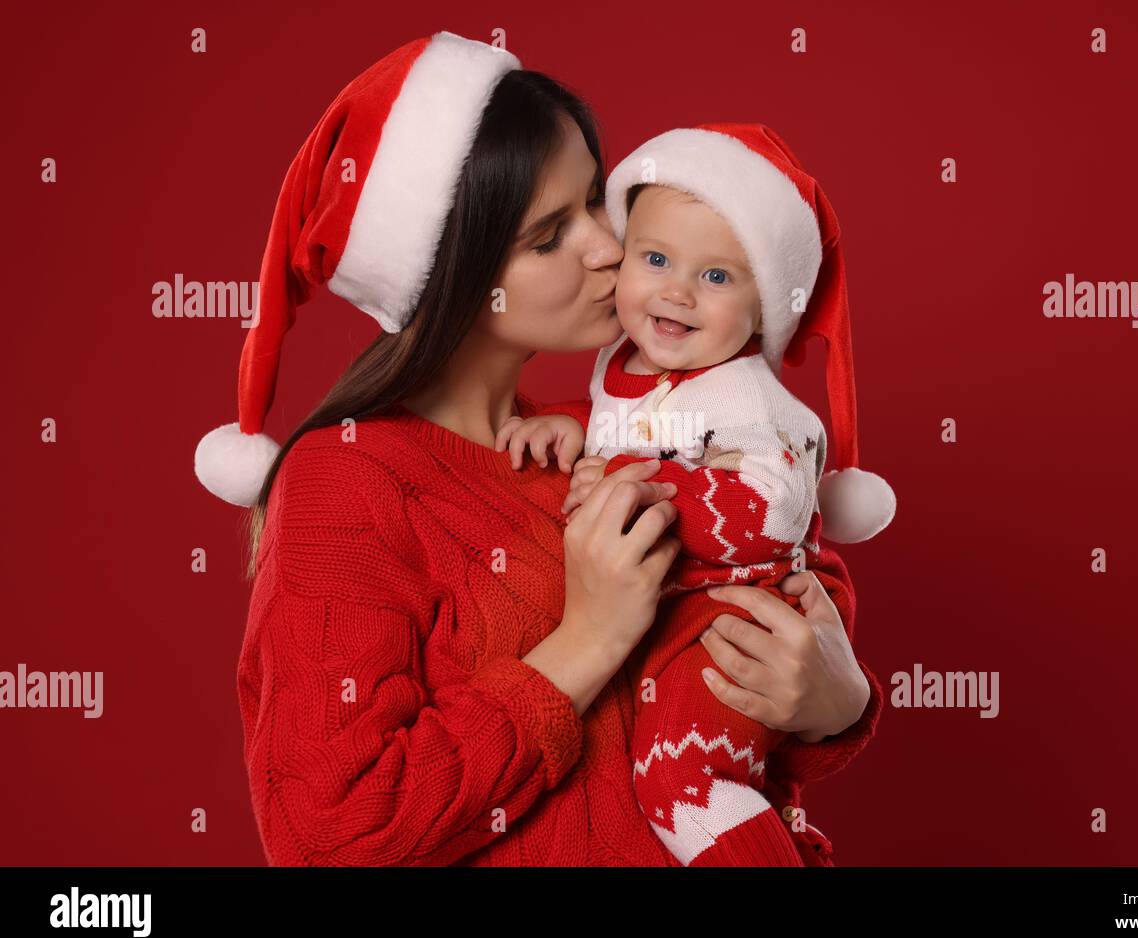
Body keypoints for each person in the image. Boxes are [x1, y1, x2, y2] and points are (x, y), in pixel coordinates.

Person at [193, 31, 882, 866]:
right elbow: (330, 831)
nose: (606, 246)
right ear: (457, 271)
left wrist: (835, 701)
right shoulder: (346, 483)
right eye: (549, 235)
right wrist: (585, 643)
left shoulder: (595, 432)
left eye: (597, 199)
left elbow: (767, 604)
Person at [491, 123, 896, 865]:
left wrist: (632, 485)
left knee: (684, 777)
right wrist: (573, 427)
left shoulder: (747, 394)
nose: (676, 290)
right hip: (675, 626)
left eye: (716, 277)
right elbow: (639, 427)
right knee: (709, 783)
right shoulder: (630, 361)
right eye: (654, 258)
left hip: (733, 618)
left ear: (763, 308)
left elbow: (771, 507)